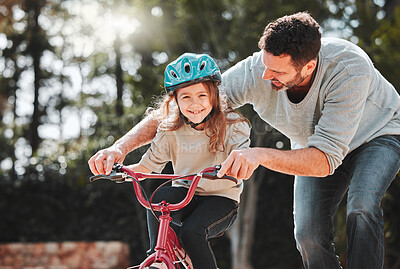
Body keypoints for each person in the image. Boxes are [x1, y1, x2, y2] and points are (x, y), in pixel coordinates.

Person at [88, 12, 400, 269]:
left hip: (378, 135)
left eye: (277, 72)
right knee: (308, 234)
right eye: (265, 65)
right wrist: (120, 147)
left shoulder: (349, 69)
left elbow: (325, 160)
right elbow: (187, 109)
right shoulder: (257, 70)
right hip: (313, 145)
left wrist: (258, 155)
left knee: (361, 206)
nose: (265, 77)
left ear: (308, 67)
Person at [90, 53, 251, 268]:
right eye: (186, 97)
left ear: (214, 96)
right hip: (185, 193)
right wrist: (119, 171)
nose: (195, 104)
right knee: (159, 199)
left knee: (192, 231)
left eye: (202, 95)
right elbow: (146, 167)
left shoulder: (234, 125)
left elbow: (243, 159)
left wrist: (235, 167)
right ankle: (159, 259)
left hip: (220, 199)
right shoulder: (170, 130)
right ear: (175, 100)